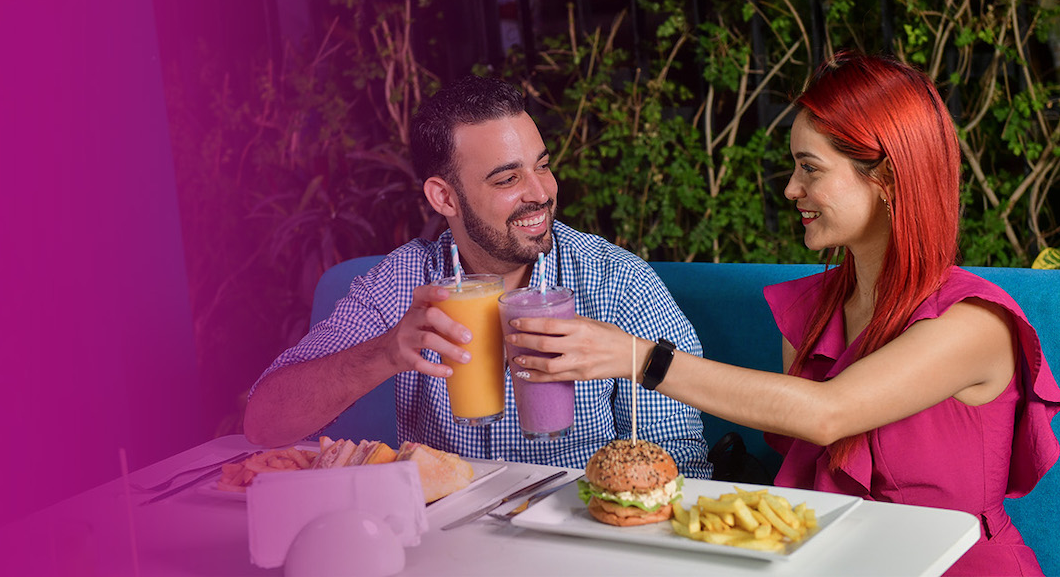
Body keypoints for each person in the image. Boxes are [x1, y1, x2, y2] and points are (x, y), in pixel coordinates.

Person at [505, 52, 1060, 576]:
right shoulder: (815, 313)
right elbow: (793, 431)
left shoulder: (972, 323)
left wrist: (636, 358)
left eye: (810, 168)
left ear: (888, 178)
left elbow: (826, 414)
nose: (792, 188)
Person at [244, 75, 713, 474]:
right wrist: (386, 352)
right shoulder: (404, 282)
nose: (541, 193)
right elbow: (264, 422)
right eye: (508, 179)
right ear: (444, 198)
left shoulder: (617, 283)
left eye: (543, 166)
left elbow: (683, 464)